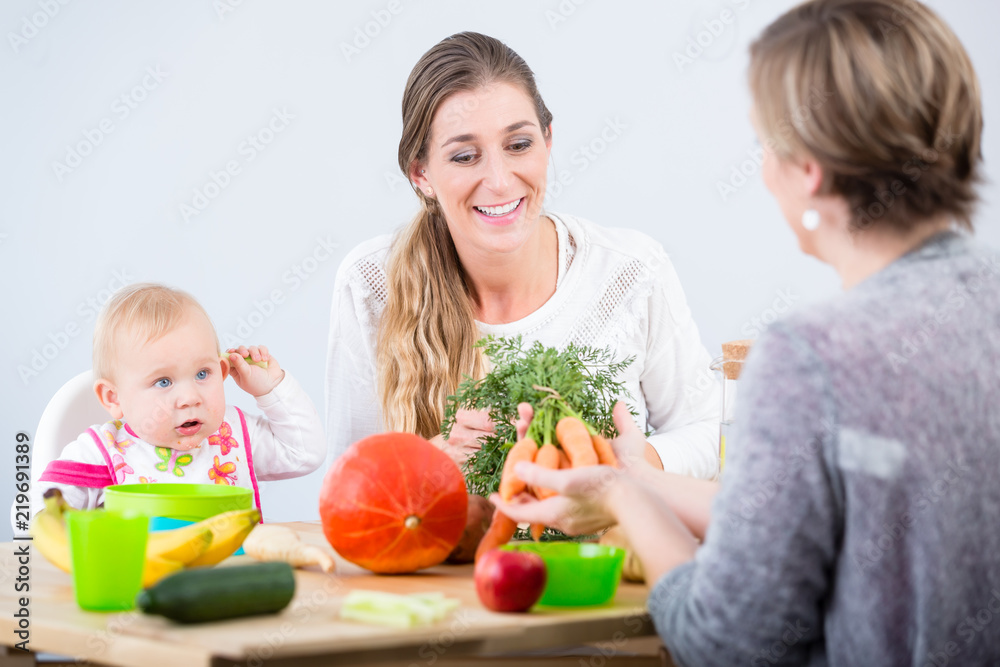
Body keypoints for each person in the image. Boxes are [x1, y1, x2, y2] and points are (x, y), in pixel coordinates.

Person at [493, 0, 1000, 663]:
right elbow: (791, 515)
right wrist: (632, 477)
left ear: (810, 169)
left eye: (767, 142)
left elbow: (727, 640)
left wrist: (623, 495)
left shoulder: (810, 356)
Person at [325, 31, 719, 478]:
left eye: (518, 145)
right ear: (421, 174)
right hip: (454, 550)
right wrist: (432, 458)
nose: (499, 180)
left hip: (603, 548)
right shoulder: (372, 282)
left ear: (548, 141)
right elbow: (347, 486)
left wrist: (622, 463)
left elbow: (707, 429)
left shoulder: (629, 269)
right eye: (465, 156)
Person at [37, 283, 326, 514]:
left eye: (202, 374)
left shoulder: (233, 436)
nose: (189, 398)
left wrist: (270, 389)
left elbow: (305, 453)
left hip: (235, 585)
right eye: (163, 381)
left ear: (222, 370)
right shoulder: (101, 453)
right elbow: (35, 511)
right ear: (114, 398)